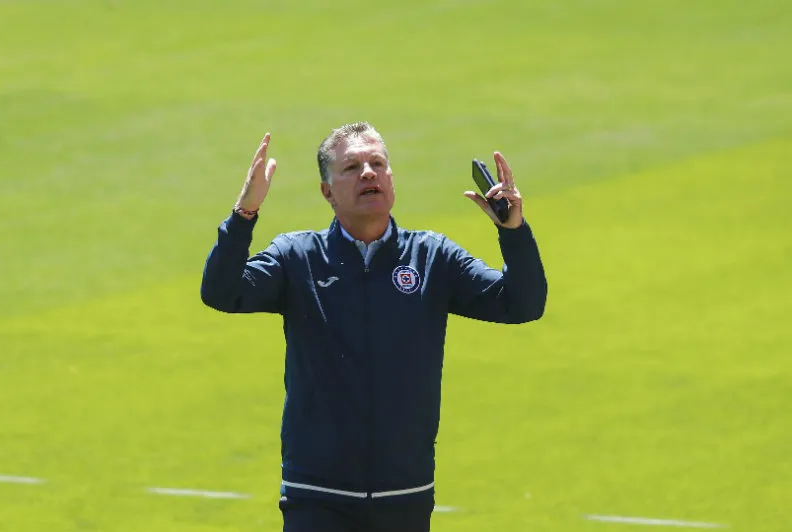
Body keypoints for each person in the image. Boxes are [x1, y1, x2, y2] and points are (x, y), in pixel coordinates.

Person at [200, 122, 547, 532]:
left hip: (405, 494)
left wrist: (514, 233)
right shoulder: (297, 257)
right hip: (316, 495)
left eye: (378, 164)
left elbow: (522, 303)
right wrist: (244, 215)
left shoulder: (432, 257)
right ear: (327, 192)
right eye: (352, 167)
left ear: (391, 179)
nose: (368, 173)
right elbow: (221, 292)